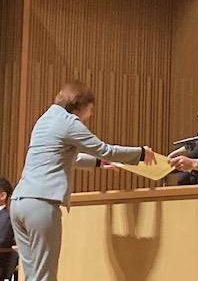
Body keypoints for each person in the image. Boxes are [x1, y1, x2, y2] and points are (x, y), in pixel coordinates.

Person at [10, 81, 157, 281]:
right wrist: (140, 153)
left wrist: (97, 163)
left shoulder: (45, 119)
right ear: (81, 104)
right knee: (45, 274)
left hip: (19, 202)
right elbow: (105, 150)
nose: (91, 114)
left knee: (31, 274)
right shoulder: (69, 122)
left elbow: (65, 157)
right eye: (91, 108)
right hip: (41, 202)